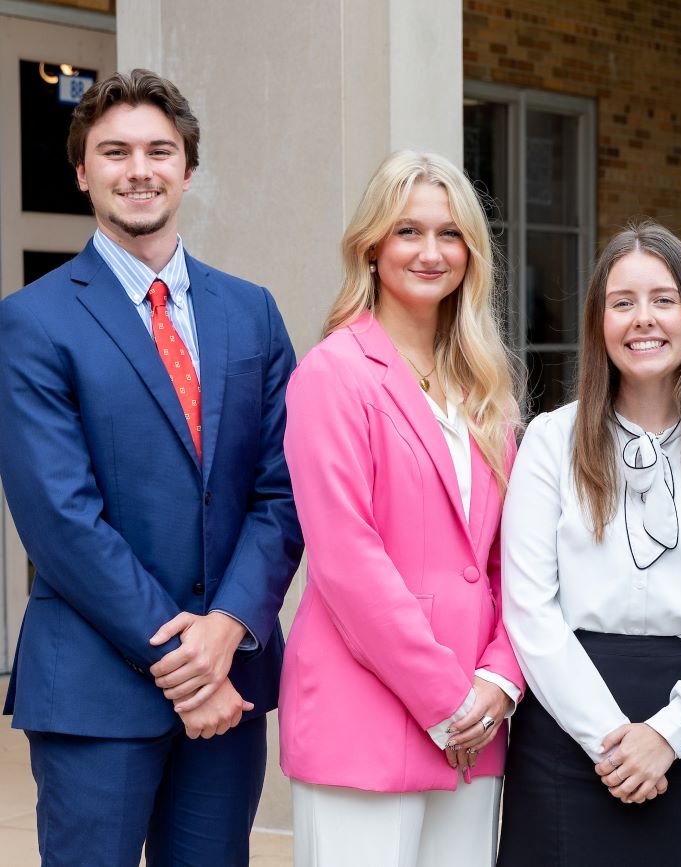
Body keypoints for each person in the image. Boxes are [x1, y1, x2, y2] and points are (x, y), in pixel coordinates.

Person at [0, 69, 301, 866]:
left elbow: (282, 491)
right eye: (115, 151)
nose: (140, 168)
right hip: (97, 689)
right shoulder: (32, 321)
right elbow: (60, 517)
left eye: (159, 150)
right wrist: (183, 662)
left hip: (230, 683)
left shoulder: (252, 311)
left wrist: (229, 628)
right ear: (82, 171)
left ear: (188, 169)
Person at [496, 221, 681, 866]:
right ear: (600, 323)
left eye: (663, 299)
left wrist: (667, 735)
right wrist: (609, 737)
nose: (642, 320)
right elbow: (528, 607)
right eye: (622, 302)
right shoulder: (549, 440)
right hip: (565, 725)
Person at [278, 150, 524, 867]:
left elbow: (515, 553)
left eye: (450, 234)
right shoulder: (334, 374)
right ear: (373, 246)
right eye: (408, 231)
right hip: (368, 715)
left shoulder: (486, 386)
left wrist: (501, 679)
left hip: (476, 722)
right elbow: (348, 561)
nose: (430, 251)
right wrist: (446, 699)